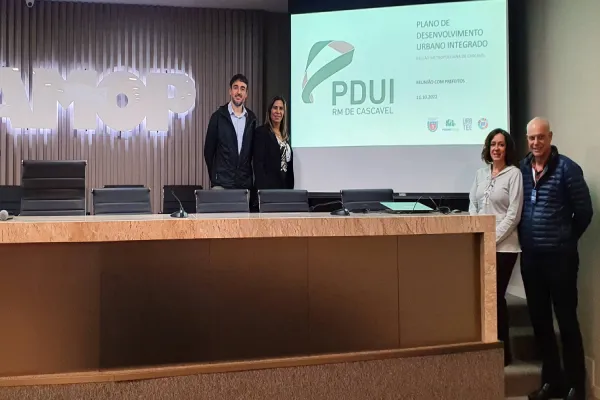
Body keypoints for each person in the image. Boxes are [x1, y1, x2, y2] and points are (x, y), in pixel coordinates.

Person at [519, 117, 593, 400]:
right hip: (531, 258)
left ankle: (576, 387)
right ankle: (551, 382)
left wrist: (566, 239)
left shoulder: (567, 169)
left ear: (550, 137)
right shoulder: (522, 169)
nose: (536, 142)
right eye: (531, 138)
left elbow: (584, 211)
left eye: (541, 137)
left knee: (566, 321)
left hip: (560, 259)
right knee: (540, 322)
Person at [469, 128, 523, 367]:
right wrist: (477, 230)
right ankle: (485, 349)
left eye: (501, 144)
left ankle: (503, 353)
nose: (496, 148)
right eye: (493, 144)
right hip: (481, 242)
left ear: (507, 148)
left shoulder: (514, 174)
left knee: (495, 297)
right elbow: (472, 204)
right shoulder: (480, 174)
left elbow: (513, 214)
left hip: (504, 248)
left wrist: (492, 238)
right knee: (482, 297)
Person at [204, 74, 258, 190]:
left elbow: (252, 153)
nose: (239, 92)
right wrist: (215, 177)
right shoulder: (218, 117)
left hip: (244, 184)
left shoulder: (252, 119)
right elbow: (208, 151)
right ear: (230, 91)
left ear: (246, 94)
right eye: (235, 87)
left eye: (242, 89)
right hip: (222, 184)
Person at [252, 96, 294, 190]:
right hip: (268, 190)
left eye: (281, 108)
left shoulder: (285, 136)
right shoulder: (261, 132)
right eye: (275, 108)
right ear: (270, 111)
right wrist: (263, 191)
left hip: (285, 188)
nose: (278, 111)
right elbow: (258, 165)